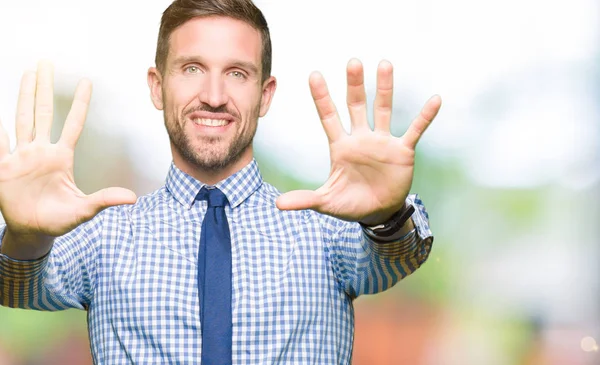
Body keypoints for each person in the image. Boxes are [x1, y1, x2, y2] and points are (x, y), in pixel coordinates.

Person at [0, 0, 442, 363]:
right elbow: (13, 283)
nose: (213, 95)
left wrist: (386, 214)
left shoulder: (325, 229)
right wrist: (25, 233)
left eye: (237, 73)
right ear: (157, 86)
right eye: (192, 68)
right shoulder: (104, 235)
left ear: (265, 94)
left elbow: (398, 256)